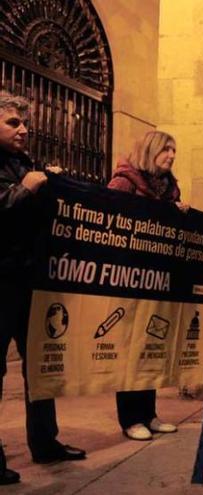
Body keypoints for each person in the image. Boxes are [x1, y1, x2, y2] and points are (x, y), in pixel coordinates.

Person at [0, 92, 86, 478]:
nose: (23, 129)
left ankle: (45, 442)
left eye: (24, 123)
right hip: (1, 279)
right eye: (12, 123)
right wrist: (27, 187)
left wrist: (48, 184)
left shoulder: (25, 164)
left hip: (30, 276)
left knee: (40, 366)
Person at [107, 130, 183, 441]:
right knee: (130, 350)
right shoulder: (125, 181)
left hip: (157, 277)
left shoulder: (169, 188)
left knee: (151, 347)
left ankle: (148, 414)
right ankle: (130, 418)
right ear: (150, 150)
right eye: (166, 150)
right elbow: (106, 219)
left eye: (174, 151)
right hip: (129, 277)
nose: (171, 156)